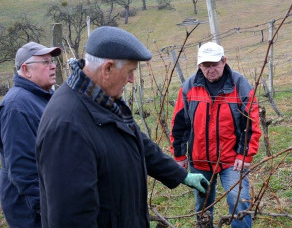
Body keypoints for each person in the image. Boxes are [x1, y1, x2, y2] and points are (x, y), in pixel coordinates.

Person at [36, 26, 209, 228]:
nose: (132, 79)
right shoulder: (68, 126)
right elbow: (72, 218)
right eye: (129, 72)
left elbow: (136, 140)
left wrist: (180, 174)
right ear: (107, 69)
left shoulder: (102, 98)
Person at [170, 42, 262, 227]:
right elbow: (180, 123)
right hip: (200, 159)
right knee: (203, 206)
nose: (211, 69)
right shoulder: (189, 87)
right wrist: (179, 155)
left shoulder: (239, 85)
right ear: (199, 66)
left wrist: (244, 154)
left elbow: (250, 122)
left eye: (215, 64)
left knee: (239, 203)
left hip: (232, 160)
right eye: (206, 65)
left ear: (224, 61)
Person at [0, 42, 61, 228]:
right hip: (30, 209)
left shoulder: (45, 96)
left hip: (49, 198)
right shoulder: (16, 106)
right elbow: (23, 169)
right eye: (45, 61)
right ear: (26, 70)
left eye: (52, 61)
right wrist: (46, 210)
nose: (53, 66)